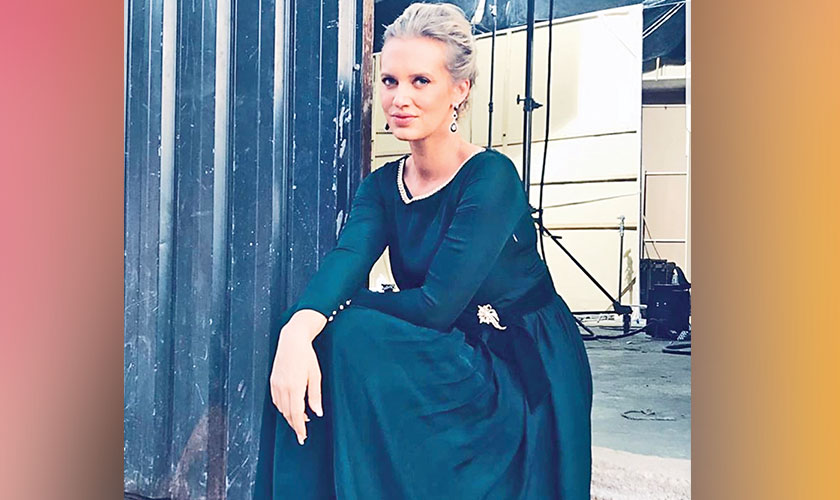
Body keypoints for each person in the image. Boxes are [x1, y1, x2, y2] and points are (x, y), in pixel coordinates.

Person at [253, 3, 592, 499]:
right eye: (390, 81)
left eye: (421, 81)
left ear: (460, 90)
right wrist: (300, 325)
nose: (400, 99)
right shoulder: (382, 185)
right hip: (450, 346)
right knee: (309, 336)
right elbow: (347, 259)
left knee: (348, 331)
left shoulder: (490, 177)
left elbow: (435, 306)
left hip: (519, 366)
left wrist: (338, 308)